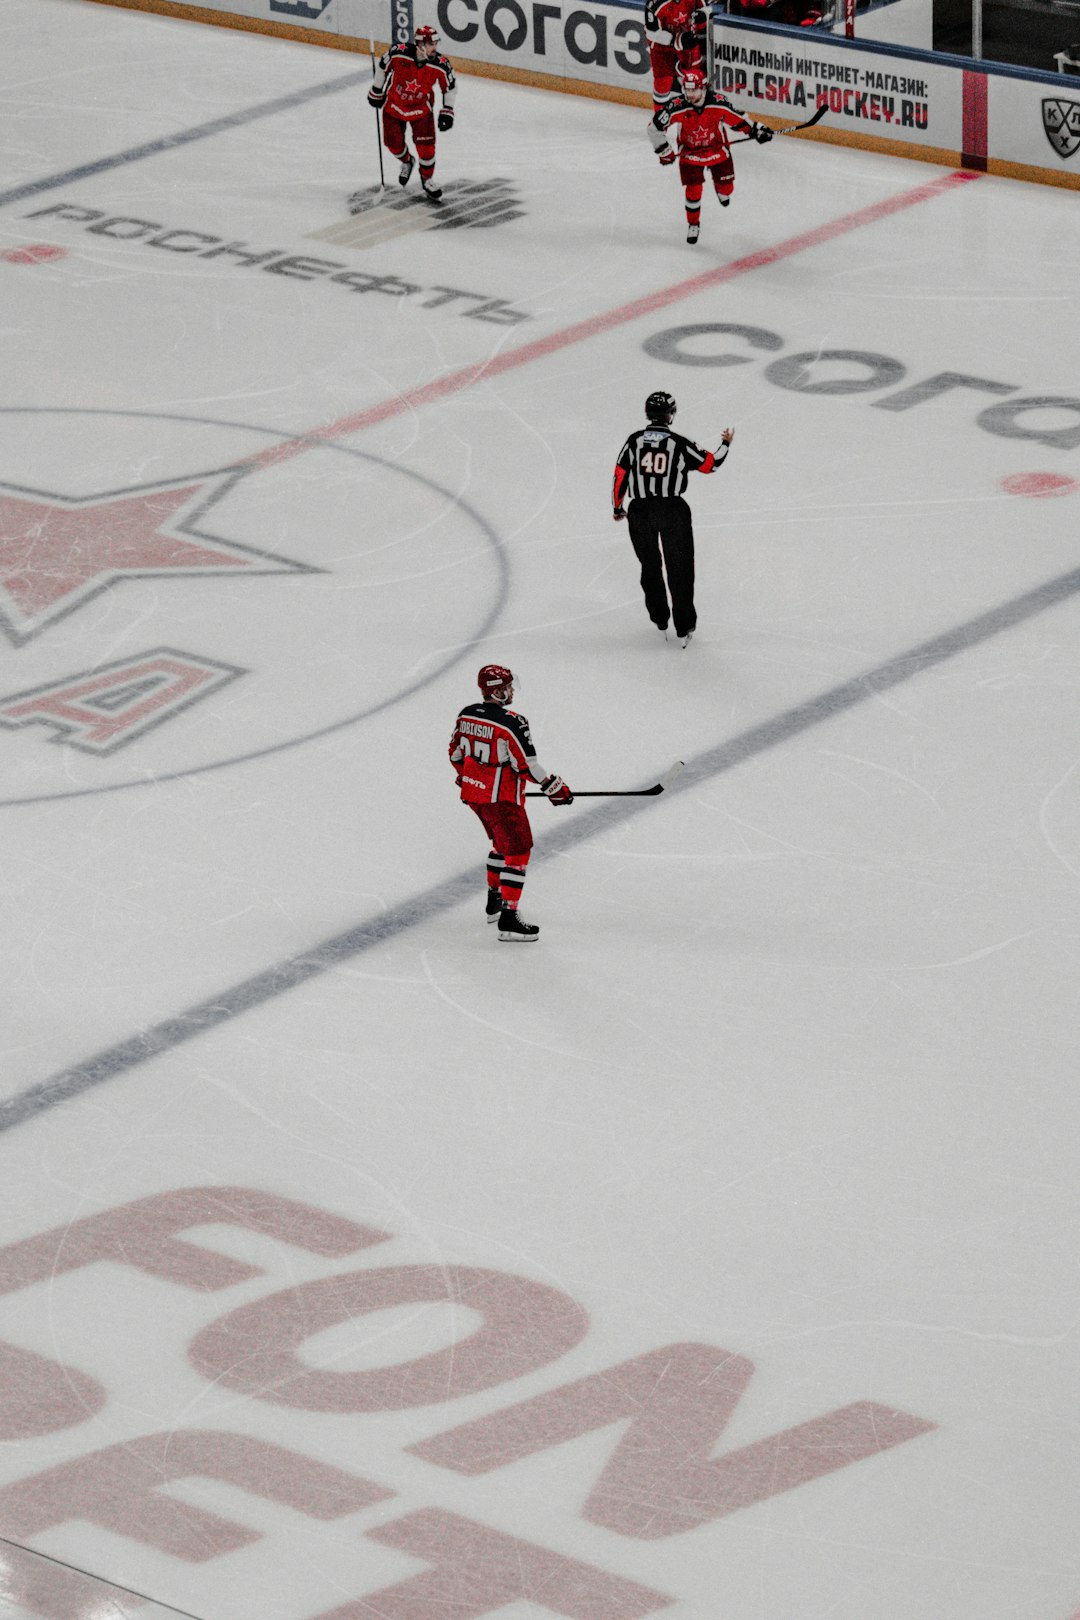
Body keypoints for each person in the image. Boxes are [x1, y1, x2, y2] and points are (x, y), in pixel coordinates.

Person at [448, 665, 573, 942]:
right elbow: (526, 766)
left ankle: (494, 900)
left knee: (500, 846)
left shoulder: (466, 714)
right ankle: (508, 918)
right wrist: (554, 788)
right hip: (502, 800)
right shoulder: (512, 722)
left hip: (475, 797)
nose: (512, 690)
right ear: (497, 690)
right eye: (508, 686)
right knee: (518, 852)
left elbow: (455, 753)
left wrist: (468, 777)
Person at [612, 391, 734, 647]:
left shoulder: (634, 441)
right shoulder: (678, 442)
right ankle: (684, 624)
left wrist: (618, 506)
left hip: (640, 511)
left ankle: (659, 618)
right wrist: (726, 443)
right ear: (670, 415)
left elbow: (620, 474)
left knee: (650, 565)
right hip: (672, 510)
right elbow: (711, 464)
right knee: (680, 569)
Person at [648, 67, 772, 243]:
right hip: (690, 153)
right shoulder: (677, 106)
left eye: (694, 90)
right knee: (694, 190)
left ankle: (719, 186)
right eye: (687, 90)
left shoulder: (718, 103)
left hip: (717, 149)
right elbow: (654, 128)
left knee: (727, 189)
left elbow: (738, 120)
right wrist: (664, 150)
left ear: (704, 88)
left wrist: (756, 130)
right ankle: (693, 224)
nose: (690, 94)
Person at [367, 25, 456, 202]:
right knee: (392, 143)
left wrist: (447, 110)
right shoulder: (398, 53)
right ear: (420, 44)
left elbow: (449, 87)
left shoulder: (440, 64)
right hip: (394, 106)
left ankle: (427, 178)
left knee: (427, 148)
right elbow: (383, 66)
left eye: (436, 43)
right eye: (431, 44)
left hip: (421, 110)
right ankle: (407, 161)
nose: (435, 47)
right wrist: (377, 90)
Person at [644, 0, 708, 113]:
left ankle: (696, 118)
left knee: (694, 78)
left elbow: (706, 8)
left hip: (688, 41)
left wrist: (703, 14)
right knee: (663, 82)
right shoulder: (655, 4)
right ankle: (659, 119)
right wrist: (675, 40)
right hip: (661, 47)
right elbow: (651, 33)